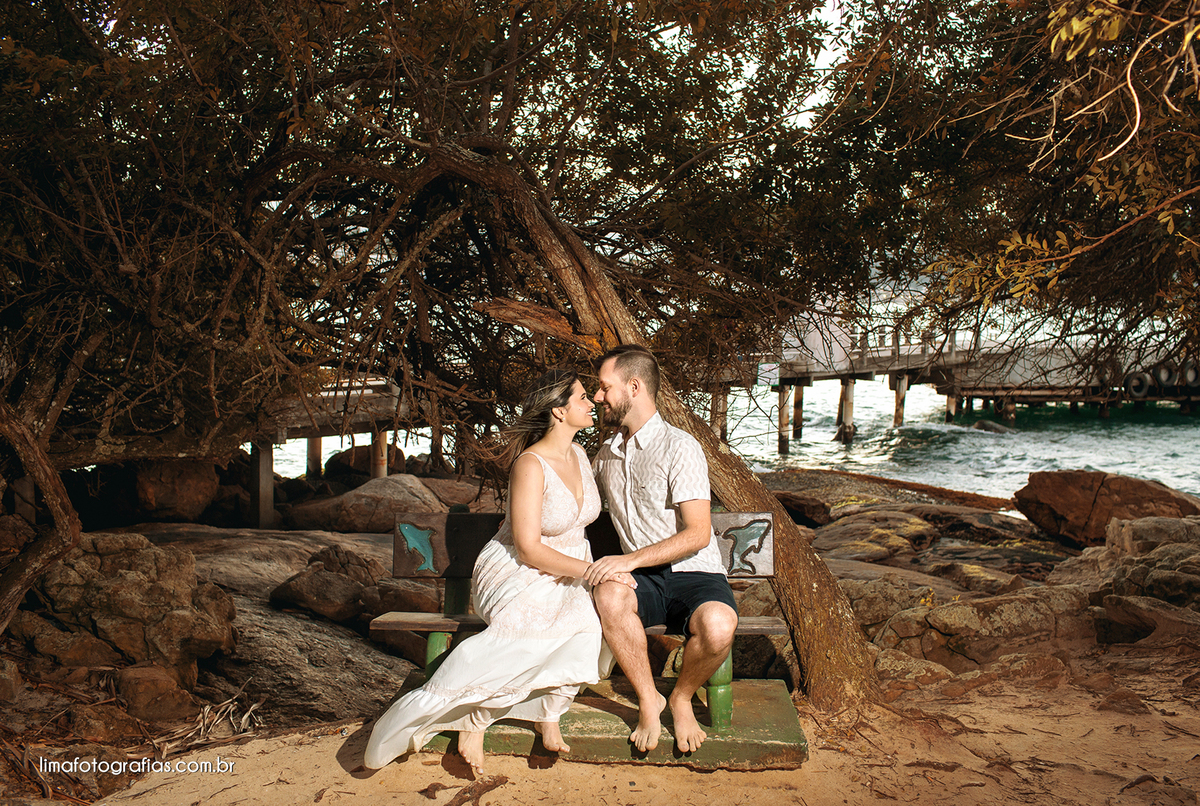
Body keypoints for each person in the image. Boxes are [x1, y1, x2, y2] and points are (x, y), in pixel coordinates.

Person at [363, 369, 628, 776]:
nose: (591, 402)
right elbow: (527, 546)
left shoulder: (579, 455)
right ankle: (474, 720)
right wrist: (593, 571)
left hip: (569, 568)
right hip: (516, 569)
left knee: (590, 630)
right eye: (581, 398)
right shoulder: (530, 465)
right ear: (558, 411)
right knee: (523, 635)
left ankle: (549, 712)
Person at [585, 344, 738, 754]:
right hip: (646, 582)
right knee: (608, 593)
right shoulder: (605, 456)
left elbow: (698, 533)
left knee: (720, 626)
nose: (598, 397)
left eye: (603, 388)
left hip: (696, 573)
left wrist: (628, 559)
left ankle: (682, 696)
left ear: (633, 387)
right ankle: (649, 700)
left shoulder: (680, 447)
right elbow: (571, 502)